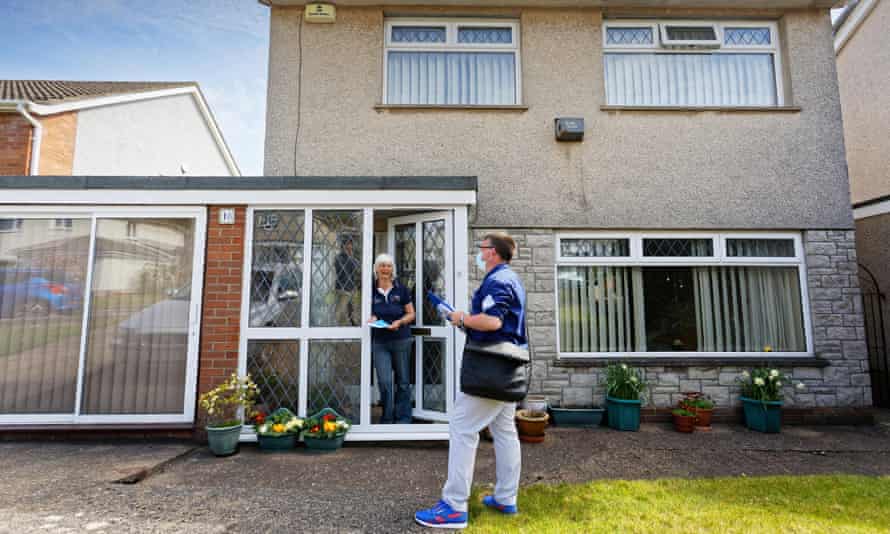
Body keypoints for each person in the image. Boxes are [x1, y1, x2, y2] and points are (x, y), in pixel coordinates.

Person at [414, 232, 526, 530]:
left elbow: (493, 322)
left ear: (493, 252)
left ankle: (453, 507)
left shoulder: (499, 281)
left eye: (482, 248)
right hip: (507, 368)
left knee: (462, 427)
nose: (479, 252)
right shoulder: (509, 278)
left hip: (491, 369)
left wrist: (462, 318)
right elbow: (492, 325)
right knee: (504, 430)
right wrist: (460, 319)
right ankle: (505, 498)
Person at [369, 253, 416, 424]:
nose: (385, 269)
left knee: (403, 381)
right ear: (376, 269)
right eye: (382, 265)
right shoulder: (370, 290)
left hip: (401, 339)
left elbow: (411, 314)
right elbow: (369, 313)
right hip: (380, 341)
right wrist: (372, 318)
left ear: (392, 269)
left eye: (388, 266)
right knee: (385, 381)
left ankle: (403, 418)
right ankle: (387, 418)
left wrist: (400, 322)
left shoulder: (401, 289)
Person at [334, 236, 361, 326]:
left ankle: (354, 324)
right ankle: (338, 326)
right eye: (347, 245)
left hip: (352, 287)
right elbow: (342, 270)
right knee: (341, 310)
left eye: (351, 245)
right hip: (343, 288)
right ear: (343, 246)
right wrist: (349, 257)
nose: (350, 247)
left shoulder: (353, 258)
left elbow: (357, 269)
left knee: (353, 309)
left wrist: (351, 257)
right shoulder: (339, 258)